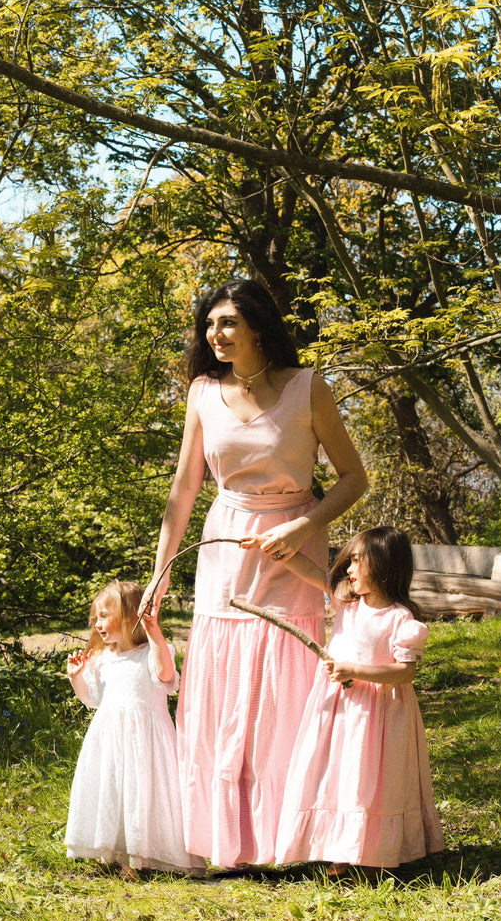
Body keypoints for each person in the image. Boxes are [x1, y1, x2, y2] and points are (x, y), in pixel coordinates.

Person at [139, 278, 368, 867]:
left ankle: (296, 834)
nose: (214, 335)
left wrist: (301, 527)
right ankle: (225, 838)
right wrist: (161, 570)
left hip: (294, 546)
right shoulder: (201, 393)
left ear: (258, 327)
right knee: (225, 687)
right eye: (209, 325)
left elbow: (352, 478)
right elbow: (185, 488)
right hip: (224, 550)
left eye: (227, 323)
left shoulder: (307, 388)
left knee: (290, 683)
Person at [268, 526, 445, 879]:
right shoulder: (347, 602)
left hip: (378, 712)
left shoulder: (400, 618)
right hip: (337, 709)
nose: (348, 568)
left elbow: (404, 673)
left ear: (383, 565)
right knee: (335, 772)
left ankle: (371, 849)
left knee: (368, 778)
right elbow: (310, 571)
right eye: (349, 561)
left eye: (357, 562)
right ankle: (339, 848)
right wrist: (277, 549)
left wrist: (357, 670)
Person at [65, 580, 206, 879]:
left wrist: (154, 630)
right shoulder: (104, 660)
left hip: (147, 741)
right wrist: (77, 677)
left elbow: (165, 674)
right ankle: (115, 851)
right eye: (96, 618)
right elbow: (93, 700)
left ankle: (143, 855)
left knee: (144, 792)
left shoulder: (154, 651)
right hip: (111, 740)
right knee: (115, 791)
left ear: (130, 615)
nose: (97, 624)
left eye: (105, 616)